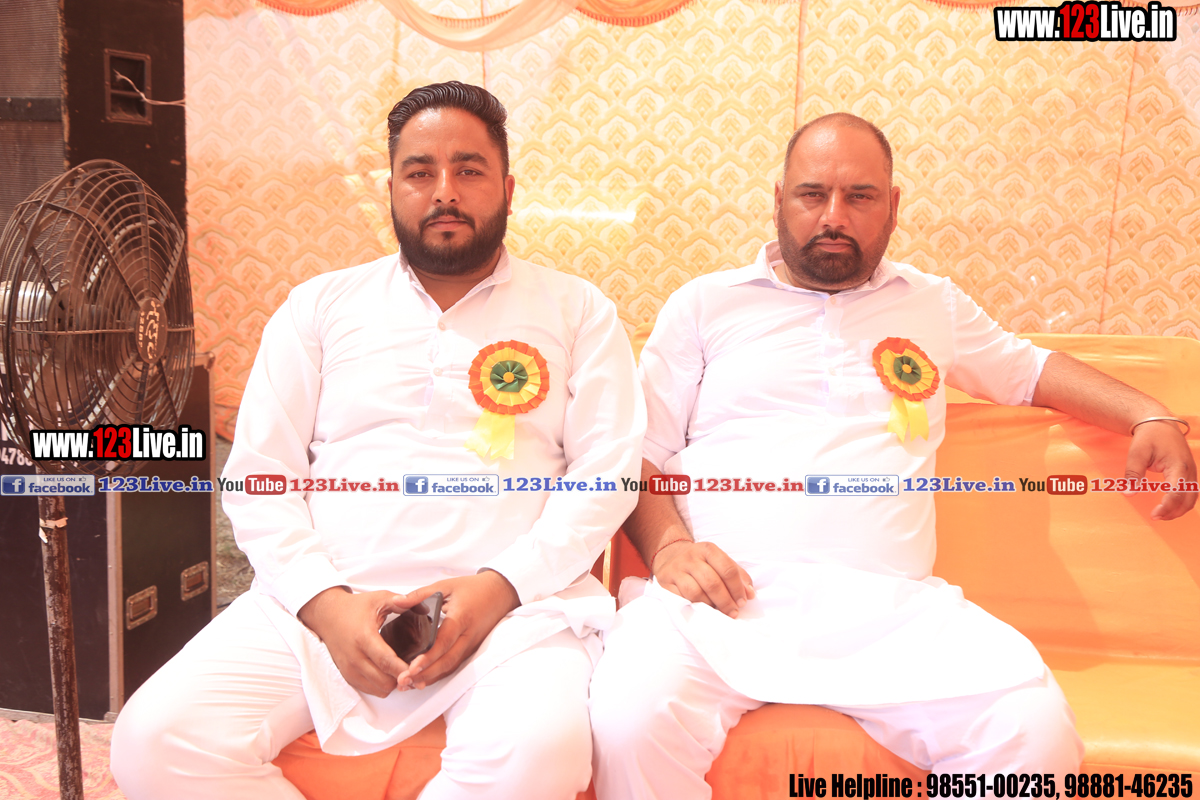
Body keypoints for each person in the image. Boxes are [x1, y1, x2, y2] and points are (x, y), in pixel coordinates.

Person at [588, 112, 1197, 800]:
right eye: (812, 194)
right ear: (779, 199)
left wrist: (1147, 412)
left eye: (861, 196)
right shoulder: (703, 306)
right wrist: (670, 549)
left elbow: (1028, 370)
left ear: (894, 205)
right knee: (627, 723)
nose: (834, 215)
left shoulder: (932, 304)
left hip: (891, 614)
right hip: (720, 605)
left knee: (1034, 734)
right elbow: (640, 454)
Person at [111, 81, 644, 800]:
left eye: (469, 169)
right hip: (319, 605)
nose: (444, 190)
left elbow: (607, 475)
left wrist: (501, 587)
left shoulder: (579, 311)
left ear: (509, 189)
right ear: (391, 188)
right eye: (420, 171)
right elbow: (260, 477)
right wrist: (325, 605)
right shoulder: (318, 307)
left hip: (514, 613)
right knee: (153, 741)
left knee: (538, 753)